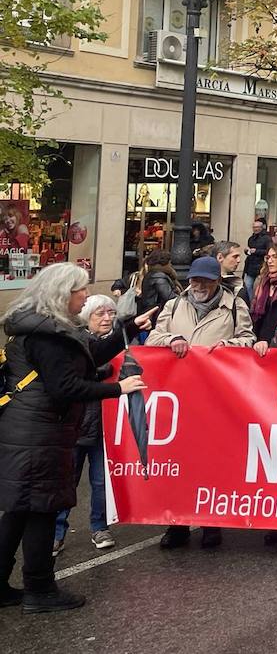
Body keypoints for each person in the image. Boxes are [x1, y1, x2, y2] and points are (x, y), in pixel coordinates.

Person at [0, 265, 147, 612]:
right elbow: (66, 387)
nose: (84, 295)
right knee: (42, 510)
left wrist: (124, 328)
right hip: (41, 434)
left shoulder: (36, 326)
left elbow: (78, 363)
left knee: (20, 511)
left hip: (27, 430)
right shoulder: (48, 335)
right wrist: (118, 389)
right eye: (80, 290)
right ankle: (40, 589)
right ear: (62, 294)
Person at [145, 256, 254, 550]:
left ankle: (211, 523)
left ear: (216, 281)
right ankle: (176, 524)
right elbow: (153, 337)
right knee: (178, 461)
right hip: (179, 396)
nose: (198, 286)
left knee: (211, 461)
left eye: (205, 281)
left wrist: (223, 349)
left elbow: (247, 339)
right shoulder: (175, 305)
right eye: (194, 280)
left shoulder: (234, 305)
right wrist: (172, 339)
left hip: (216, 395)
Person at [51, 296, 124, 556]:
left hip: (106, 427)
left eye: (110, 313)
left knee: (102, 481)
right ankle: (56, 533)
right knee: (66, 481)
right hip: (77, 425)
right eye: (99, 314)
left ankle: (99, 527)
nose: (107, 319)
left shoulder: (123, 345)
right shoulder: (77, 343)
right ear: (86, 317)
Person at [133, 250, 179, 322]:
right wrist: (183, 299)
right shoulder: (158, 276)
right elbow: (169, 296)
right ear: (164, 263)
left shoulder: (152, 274)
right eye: (170, 262)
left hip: (151, 311)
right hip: (157, 313)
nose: (171, 265)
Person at [243, 220, 271, 305]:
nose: (255, 229)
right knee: (248, 285)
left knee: (261, 287)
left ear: (261, 228)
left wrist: (256, 251)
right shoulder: (251, 238)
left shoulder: (267, 238)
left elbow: (269, 251)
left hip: (261, 265)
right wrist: (246, 251)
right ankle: (251, 303)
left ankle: (260, 303)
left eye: (257, 227)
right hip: (251, 265)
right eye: (254, 227)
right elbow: (249, 252)